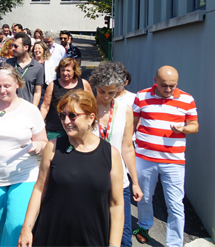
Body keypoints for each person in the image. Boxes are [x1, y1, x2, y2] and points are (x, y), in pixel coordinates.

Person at [18, 89, 125, 247]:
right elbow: (39, 189)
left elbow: (116, 204)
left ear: (90, 118)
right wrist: (26, 229)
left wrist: (114, 244)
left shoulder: (110, 154)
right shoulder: (53, 147)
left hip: (92, 237)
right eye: (63, 115)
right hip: (51, 234)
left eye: (73, 115)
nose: (66, 121)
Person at [0, 64, 48, 247]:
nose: (2, 90)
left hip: (24, 176)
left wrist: (37, 146)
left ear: (17, 84)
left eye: (7, 85)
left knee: (15, 225)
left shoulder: (30, 110)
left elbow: (43, 141)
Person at [132, 66, 199, 247]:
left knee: (176, 204)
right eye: (164, 86)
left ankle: (175, 244)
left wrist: (184, 128)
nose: (168, 90)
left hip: (174, 161)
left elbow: (194, 125)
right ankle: (144, 226)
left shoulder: (187, 99)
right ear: (155, 81)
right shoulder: (142, 96)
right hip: (145, 158)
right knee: (144, 197)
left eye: (172, 86)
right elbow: (133, 123)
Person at [89, 62, 143, 247]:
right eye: (102, 91)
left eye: (111, 92)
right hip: (90, 180)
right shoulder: (85, 108)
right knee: (93, 234)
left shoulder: (125, 111)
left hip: (119, 181)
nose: (106, 96)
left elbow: (127, 147)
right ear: (95, 86)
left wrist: (135, 182)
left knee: (123, 238)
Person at [40, 57, 92, 140]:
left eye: (68, 70)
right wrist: (39, 124)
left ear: (74, 71)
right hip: (55, 129)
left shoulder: (84, 84)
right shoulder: (53, 85)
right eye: (62, 70)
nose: (65, 73)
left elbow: (91, 105)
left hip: (78, 128)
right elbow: (45, 107)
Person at [4, 33, 44, 106]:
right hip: (9, 106)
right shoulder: (8, 63)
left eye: (16, 46)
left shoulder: (38, 67)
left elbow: (37, 92)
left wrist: (33, 109)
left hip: (27, 108)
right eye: (12, 46)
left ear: (26, 47)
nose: (12, 48)